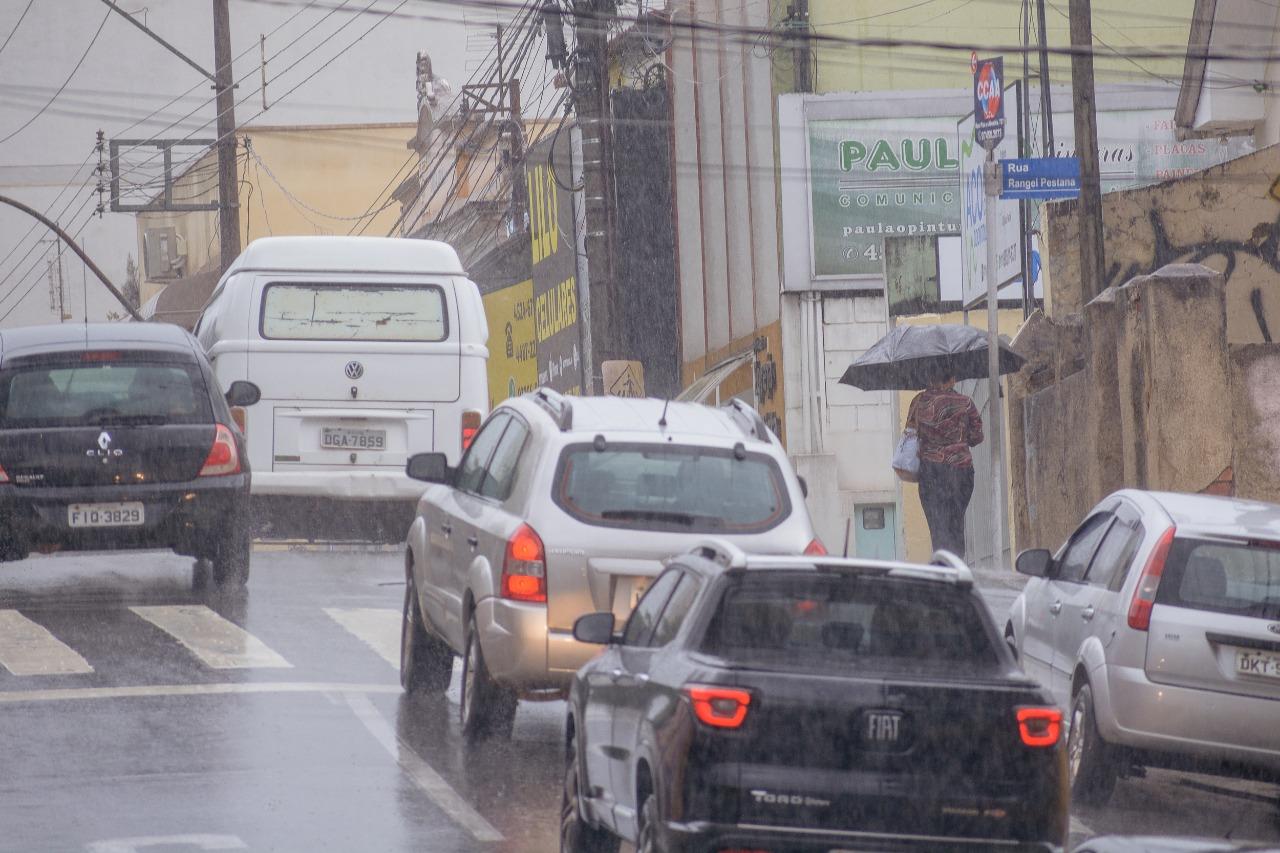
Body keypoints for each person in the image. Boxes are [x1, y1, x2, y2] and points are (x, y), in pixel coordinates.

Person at [905, 367, 984, 559]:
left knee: (937, 523)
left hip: (931, 472)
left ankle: (942, 564)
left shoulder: (919, 402)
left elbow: (910, 432)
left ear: (930, 377)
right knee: (956, 520)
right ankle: (957, 562)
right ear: (952, 379)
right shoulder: (965, 403)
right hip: (961, 471)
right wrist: (958, 438)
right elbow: (977, 437)